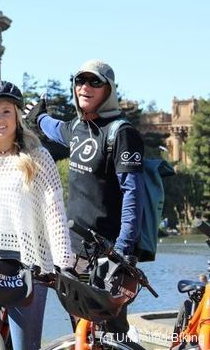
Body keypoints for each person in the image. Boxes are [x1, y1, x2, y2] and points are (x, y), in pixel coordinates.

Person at [24, 59, 146, 333]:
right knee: (80, 330)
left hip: (110, 252)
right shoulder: (77, 128)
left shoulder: (121, 133)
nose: (85, 87)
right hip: (74, 250)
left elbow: (132, 194)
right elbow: (54, 128)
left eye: (95, 82)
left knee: (110, 332)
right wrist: (39, 117)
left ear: (109, 89)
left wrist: (124, 249)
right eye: (80, 81)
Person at [0, 80, 74, 350]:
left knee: (25, 346)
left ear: (18, 116)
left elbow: (53, 210)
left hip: (28, 262)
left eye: (6, 112)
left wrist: (63, 263)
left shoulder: (38, 157)